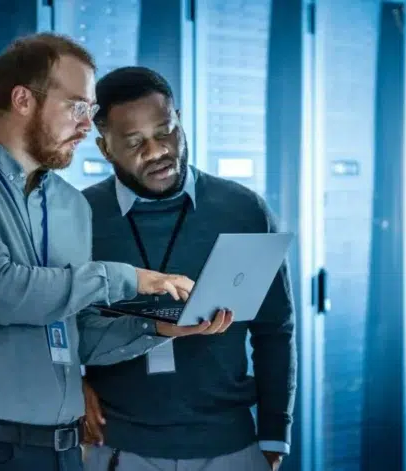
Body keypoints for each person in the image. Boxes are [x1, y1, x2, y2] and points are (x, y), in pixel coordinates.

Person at [0, 34, 233, 471]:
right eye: (78, 107)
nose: (86, 125)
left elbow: (76, 333)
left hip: (62, 452)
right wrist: (130, 278)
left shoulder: (70, 204)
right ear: (23, 99)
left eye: (90, 111)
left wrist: (161, 330)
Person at [80, 66, 297, 471]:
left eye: (165, 131)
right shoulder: (78, 216)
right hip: (118, 446)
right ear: (105, 148)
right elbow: (49, 325)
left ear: (179, 120)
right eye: (134, 142)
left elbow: (275, 330)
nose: (157, 151)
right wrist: (72, 387)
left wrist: (273, 433)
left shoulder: (242, 209)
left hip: (231, 446)